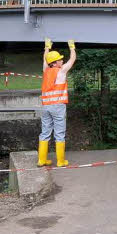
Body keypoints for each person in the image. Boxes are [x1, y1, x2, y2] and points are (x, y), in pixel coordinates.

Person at [39, 38, 76, 167]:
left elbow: (45, 59)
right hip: (58, 107)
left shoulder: (46, 70)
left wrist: (47, 47)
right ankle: (60, 161)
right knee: (59, 133)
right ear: (54, 63)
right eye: (60, 59)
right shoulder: (61, 71)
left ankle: (42, 160)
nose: (62, 60)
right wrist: (72, 47)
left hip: (45, 107)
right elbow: (72, 60)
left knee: (45, 132)